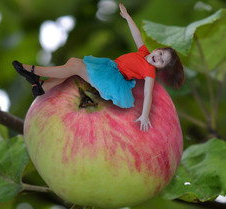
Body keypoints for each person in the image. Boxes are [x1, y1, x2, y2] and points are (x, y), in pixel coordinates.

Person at [12, 3, 184, 132]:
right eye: (161, 53)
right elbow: (136, 34)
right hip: (109, 68)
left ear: (160, 67)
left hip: (113, 80)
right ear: (157, 49)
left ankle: (33, 71)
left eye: (162, 61)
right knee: (73, 63)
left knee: (76, 67)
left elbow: (147, 93)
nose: (158, 57)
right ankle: (43, 86)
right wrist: (127, 17)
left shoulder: (149, 71)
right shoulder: (144, 51)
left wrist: (145, 114)